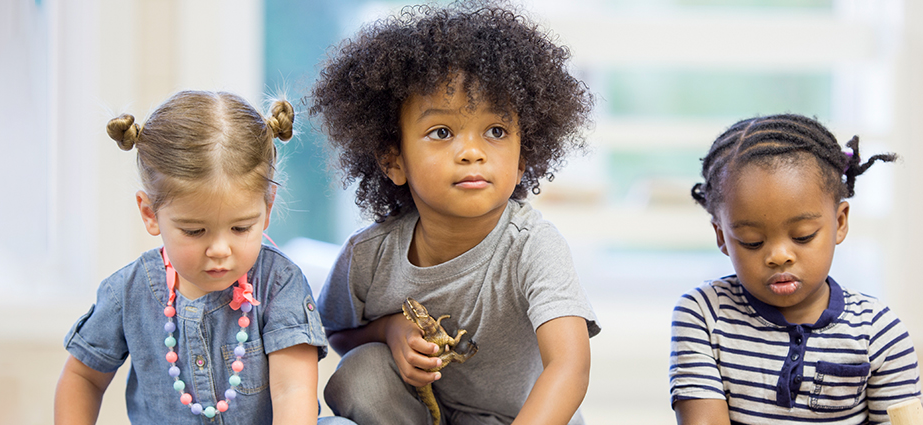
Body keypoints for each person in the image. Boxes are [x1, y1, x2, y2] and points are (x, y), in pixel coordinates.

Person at [308, 1, 600, 424]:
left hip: (521, 418)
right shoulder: (369, 254)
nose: (472, 152)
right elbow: (336, 333)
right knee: (358, 374)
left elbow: (569, 367)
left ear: (522, 158)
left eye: (496, 131)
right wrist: (390, 331)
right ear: (394, 159)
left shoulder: (533, 245)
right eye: (442, 132)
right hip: (421, 413)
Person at [54, 90, 345, 425]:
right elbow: (83, 378)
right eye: (194, 231)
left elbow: (292, 392)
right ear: (150, 214)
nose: (220, 250)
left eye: (239, 228)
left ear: (267, 208)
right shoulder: (129, 290)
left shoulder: (278, 284)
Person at [670, 113, 923, 424]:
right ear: (722, 236)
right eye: (751, 241)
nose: (778, 256)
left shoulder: (878, 333)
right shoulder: (705, 315)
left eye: (803, 236)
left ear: (840, 222)